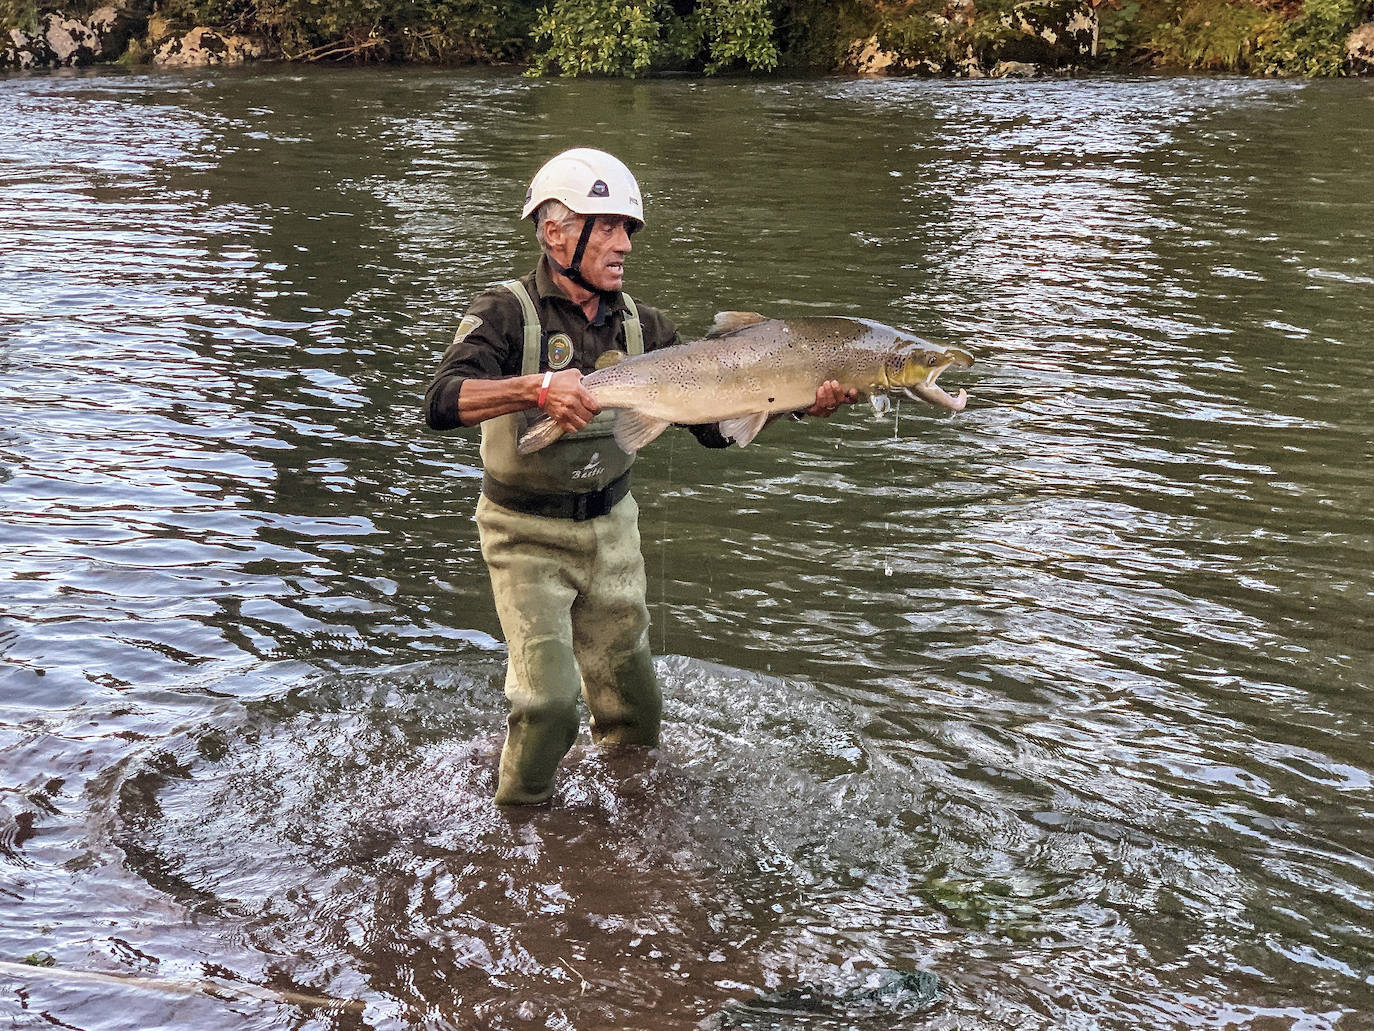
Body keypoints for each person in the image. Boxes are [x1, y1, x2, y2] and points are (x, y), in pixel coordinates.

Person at [424, 148, 856, 806]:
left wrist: (794, 403)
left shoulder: (647, 328)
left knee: (636, 710)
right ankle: (515, 831)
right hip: (522, 535)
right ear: (555, 231)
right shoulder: (506, 312)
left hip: (611, 531)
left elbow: (712, 430)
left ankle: (625, 833)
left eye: (630, 229)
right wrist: (537, 388)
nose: (625, 242)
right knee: (547, 704)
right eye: (610, 226)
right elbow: (442, 401)